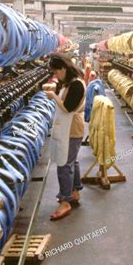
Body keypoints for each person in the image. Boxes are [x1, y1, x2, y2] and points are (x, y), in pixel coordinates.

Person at [44, 54, 86, 220]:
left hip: (72, 129)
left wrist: (53, 96)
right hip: (69, 128)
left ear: (63, 68)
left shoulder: (76, 85)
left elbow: (68, 108)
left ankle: (65, 201)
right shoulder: (71, 82)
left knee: (63, 164)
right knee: (72, 161)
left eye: (56, 72)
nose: (56, 75)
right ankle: (74, 192)